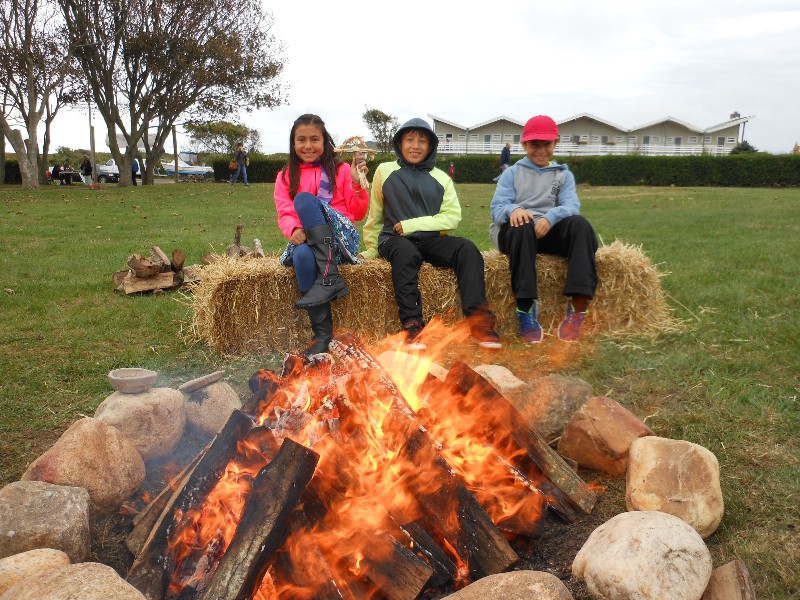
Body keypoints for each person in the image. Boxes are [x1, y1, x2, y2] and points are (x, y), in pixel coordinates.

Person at [361, 117, 502, 350]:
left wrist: (412, 224)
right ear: (399, 143)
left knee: (466, 248)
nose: (415, 146)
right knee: (406, 253)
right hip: (394, 239)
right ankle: (413, 325)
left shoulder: (441, 178)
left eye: (422, 141)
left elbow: (452, 217)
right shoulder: (385, 171)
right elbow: (375, 214)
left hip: (429, 241)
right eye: (409, 140)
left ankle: (479, 323)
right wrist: (371, 249)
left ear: (430, 146)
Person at [490, 115, 598, 343]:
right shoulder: (512, 173)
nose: (541, 150)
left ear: (555, 143)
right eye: (534, 145)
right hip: (515, 232)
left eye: (546, 144)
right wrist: (514, 210)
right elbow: (497, 208)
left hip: (546, 230)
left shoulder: (563, 175)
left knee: (581, 225)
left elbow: (571, 206)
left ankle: (578, 306)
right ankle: (525, 308)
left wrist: (550, 217)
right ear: (524, 145)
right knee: (522, 226)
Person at [274, 114, 369, 356]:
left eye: (314, 139)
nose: (308, 146)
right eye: (301, 140)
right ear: (293, 144)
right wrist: (293, 229)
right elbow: (285, 210)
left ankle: (328, 276)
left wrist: (357, 184)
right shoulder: (286, 175)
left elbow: (358, 212)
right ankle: (323, 335)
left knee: (304, 200)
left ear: (325, 141)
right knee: (302, 256)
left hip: (341, 239)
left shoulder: (342, 169)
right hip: (310, 240)